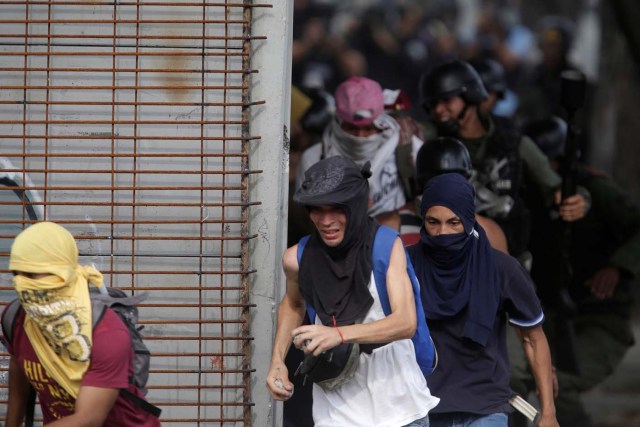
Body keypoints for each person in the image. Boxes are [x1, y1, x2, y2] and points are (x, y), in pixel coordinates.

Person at [267, 156, 439, 426]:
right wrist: (278, 360)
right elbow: (293, 303)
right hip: (335, 413)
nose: (325, 220)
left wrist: (338, 335)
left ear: (357, 206)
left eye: (337, 208)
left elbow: (405, 323)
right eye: (316, 209)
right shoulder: (297, 258)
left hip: (400, 409)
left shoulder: (385, 246)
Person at [407, 173, 558, 427]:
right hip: (420, 408)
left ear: (468, 219)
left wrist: (549, 413)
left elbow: (533, 338)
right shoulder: (404, 265)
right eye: (433, 222)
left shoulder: (501, 269)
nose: (443, 233)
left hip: (485, 408)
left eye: (454, 222)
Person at [522, 117, 639, 427]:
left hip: (601, 317)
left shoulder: (594, 188)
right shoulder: (526, 196)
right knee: (512, 378)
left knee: (561, 384)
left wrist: (618, 266)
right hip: (550, 316)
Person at [419, 59, 586, 269]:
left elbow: (557, 188)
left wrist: (577, 201)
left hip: (508, 262)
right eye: (433, 104)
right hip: (447, 260)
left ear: (469, 95)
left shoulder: (514, 143)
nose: (439, 110)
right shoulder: (431, 143)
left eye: (446, 101)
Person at [2, 221, 160, 426]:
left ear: (61, 271)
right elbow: (19, 374)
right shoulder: (17, 317)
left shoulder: (105, 331)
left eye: (32, 274)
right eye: (17, 274)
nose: (22, 284)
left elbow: (89, 419)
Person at [296, 76, 423, 231]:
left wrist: (392, 219)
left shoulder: (405, 144)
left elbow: (429, 201)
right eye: (352, 128)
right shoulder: (315, 158)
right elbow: (308, 220)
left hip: (399, 241)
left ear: (379, 123)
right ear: (338, 122)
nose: (360, 136)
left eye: (368, 128)